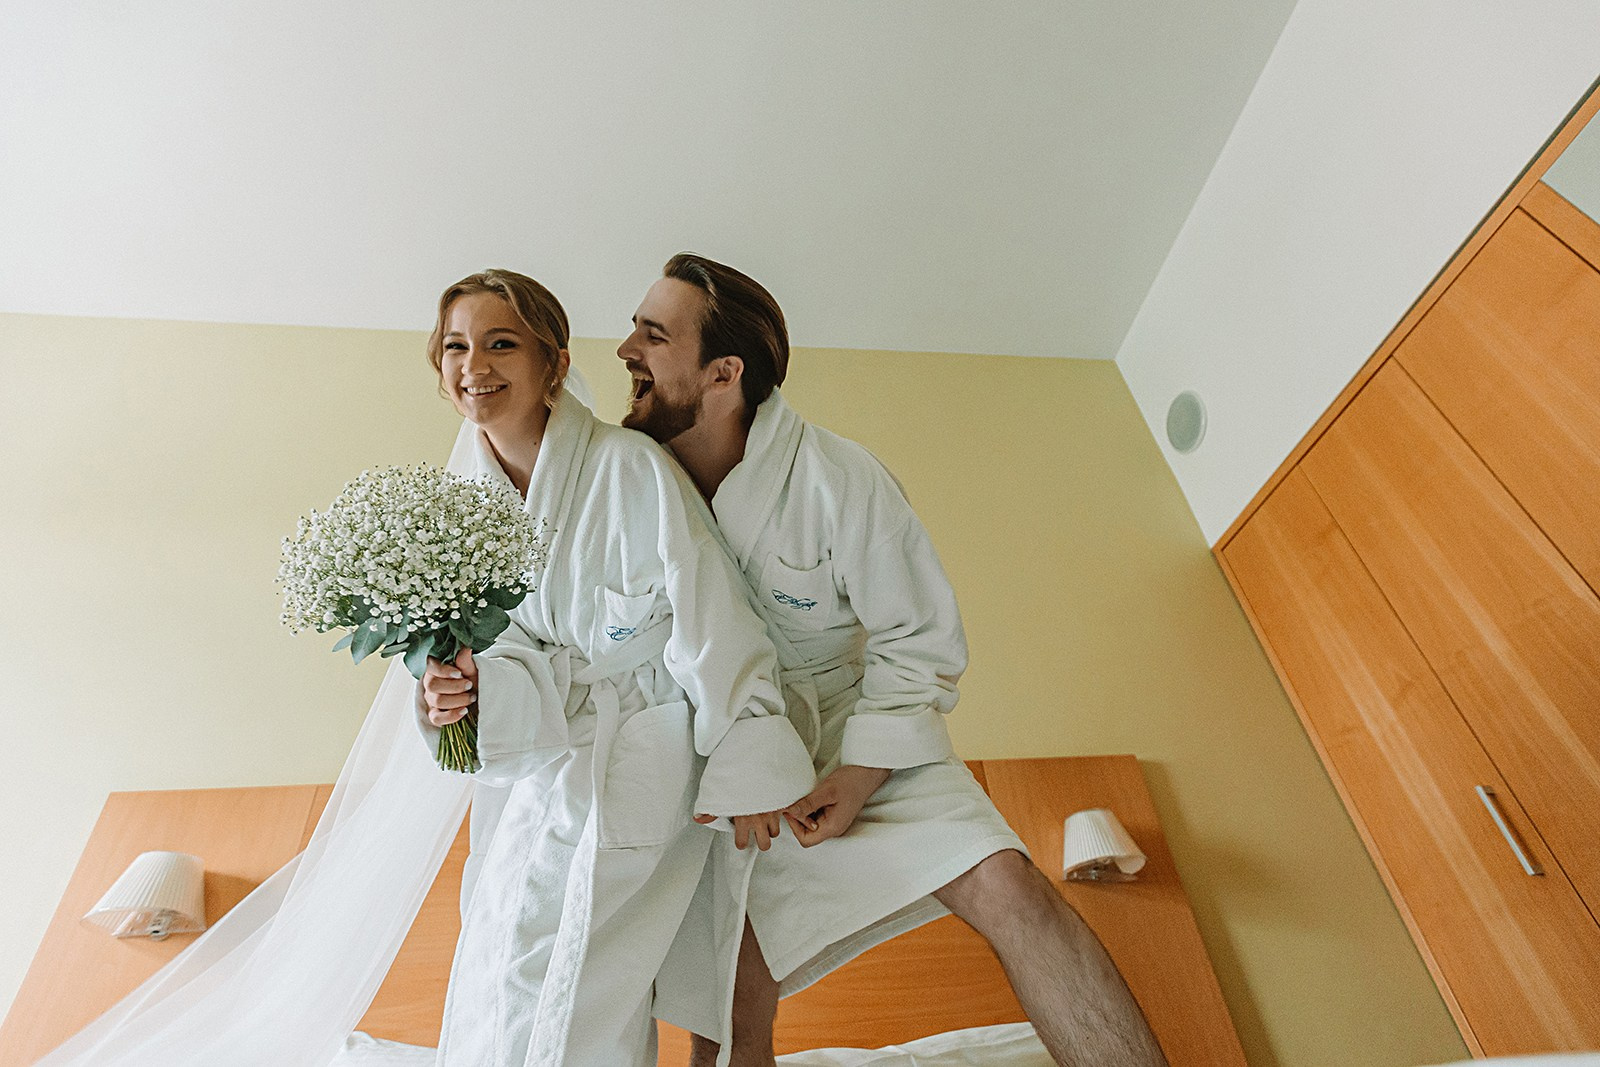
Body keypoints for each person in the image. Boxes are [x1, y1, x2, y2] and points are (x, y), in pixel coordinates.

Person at [620, 254, 1170, 1067]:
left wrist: (862, 772)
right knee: (725, 1012)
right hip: (726, 757)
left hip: (855, 727)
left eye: (653, 334)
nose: (626, 348)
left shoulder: (838, 479)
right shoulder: (634, 489)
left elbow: (918, 641)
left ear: (723, 373)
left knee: (1010, 886)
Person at [414, 269, 816, 1067]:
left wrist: (749, 758)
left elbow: (709, 611)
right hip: (541, 756)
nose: (474, 365)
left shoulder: (629, 467)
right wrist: (460, 692)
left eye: (501, 343)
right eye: (456, 346)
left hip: (636, 749)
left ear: (554, 364)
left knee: (579, 973)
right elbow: (492, 652)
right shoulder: (461, 506)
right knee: (503, 947)